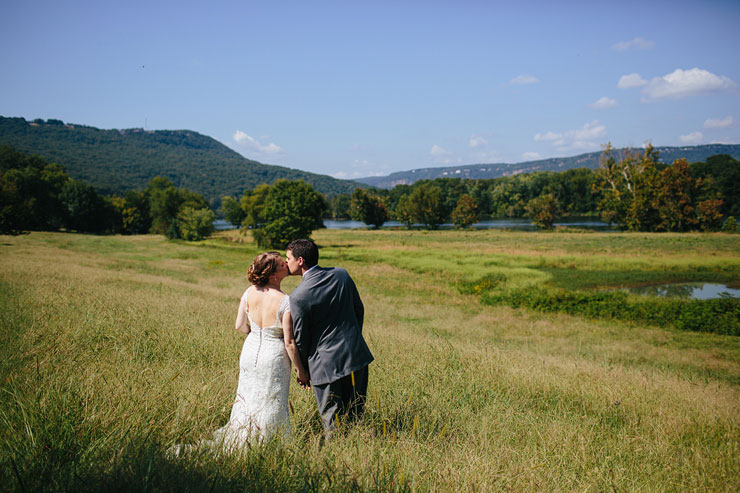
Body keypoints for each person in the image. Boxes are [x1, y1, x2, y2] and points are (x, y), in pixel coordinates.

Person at [212, 251, 309, 448]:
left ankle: (240, 439)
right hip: (273, 356)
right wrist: (301, 372)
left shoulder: (249, 292)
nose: (287, 266)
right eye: (282, 265)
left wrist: (256, 334)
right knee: (271, 400)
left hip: (250, 350)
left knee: (247, 397)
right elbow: (289, 343)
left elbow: (239, 325)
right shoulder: (285, 301)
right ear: (273, 274)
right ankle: (267, 444)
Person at [286, 239, 373, 438]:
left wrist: (304, 370)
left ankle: (337, 455)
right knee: (356, 412)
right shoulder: (341, 274)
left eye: (288, 258)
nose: (285, 262)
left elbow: (301, 337)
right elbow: (359, 309)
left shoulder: (298, 296)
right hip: (356, 356)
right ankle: (358, 448)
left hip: (324, 365)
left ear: (300, 261)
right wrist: (353, 338)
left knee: (331, 418)